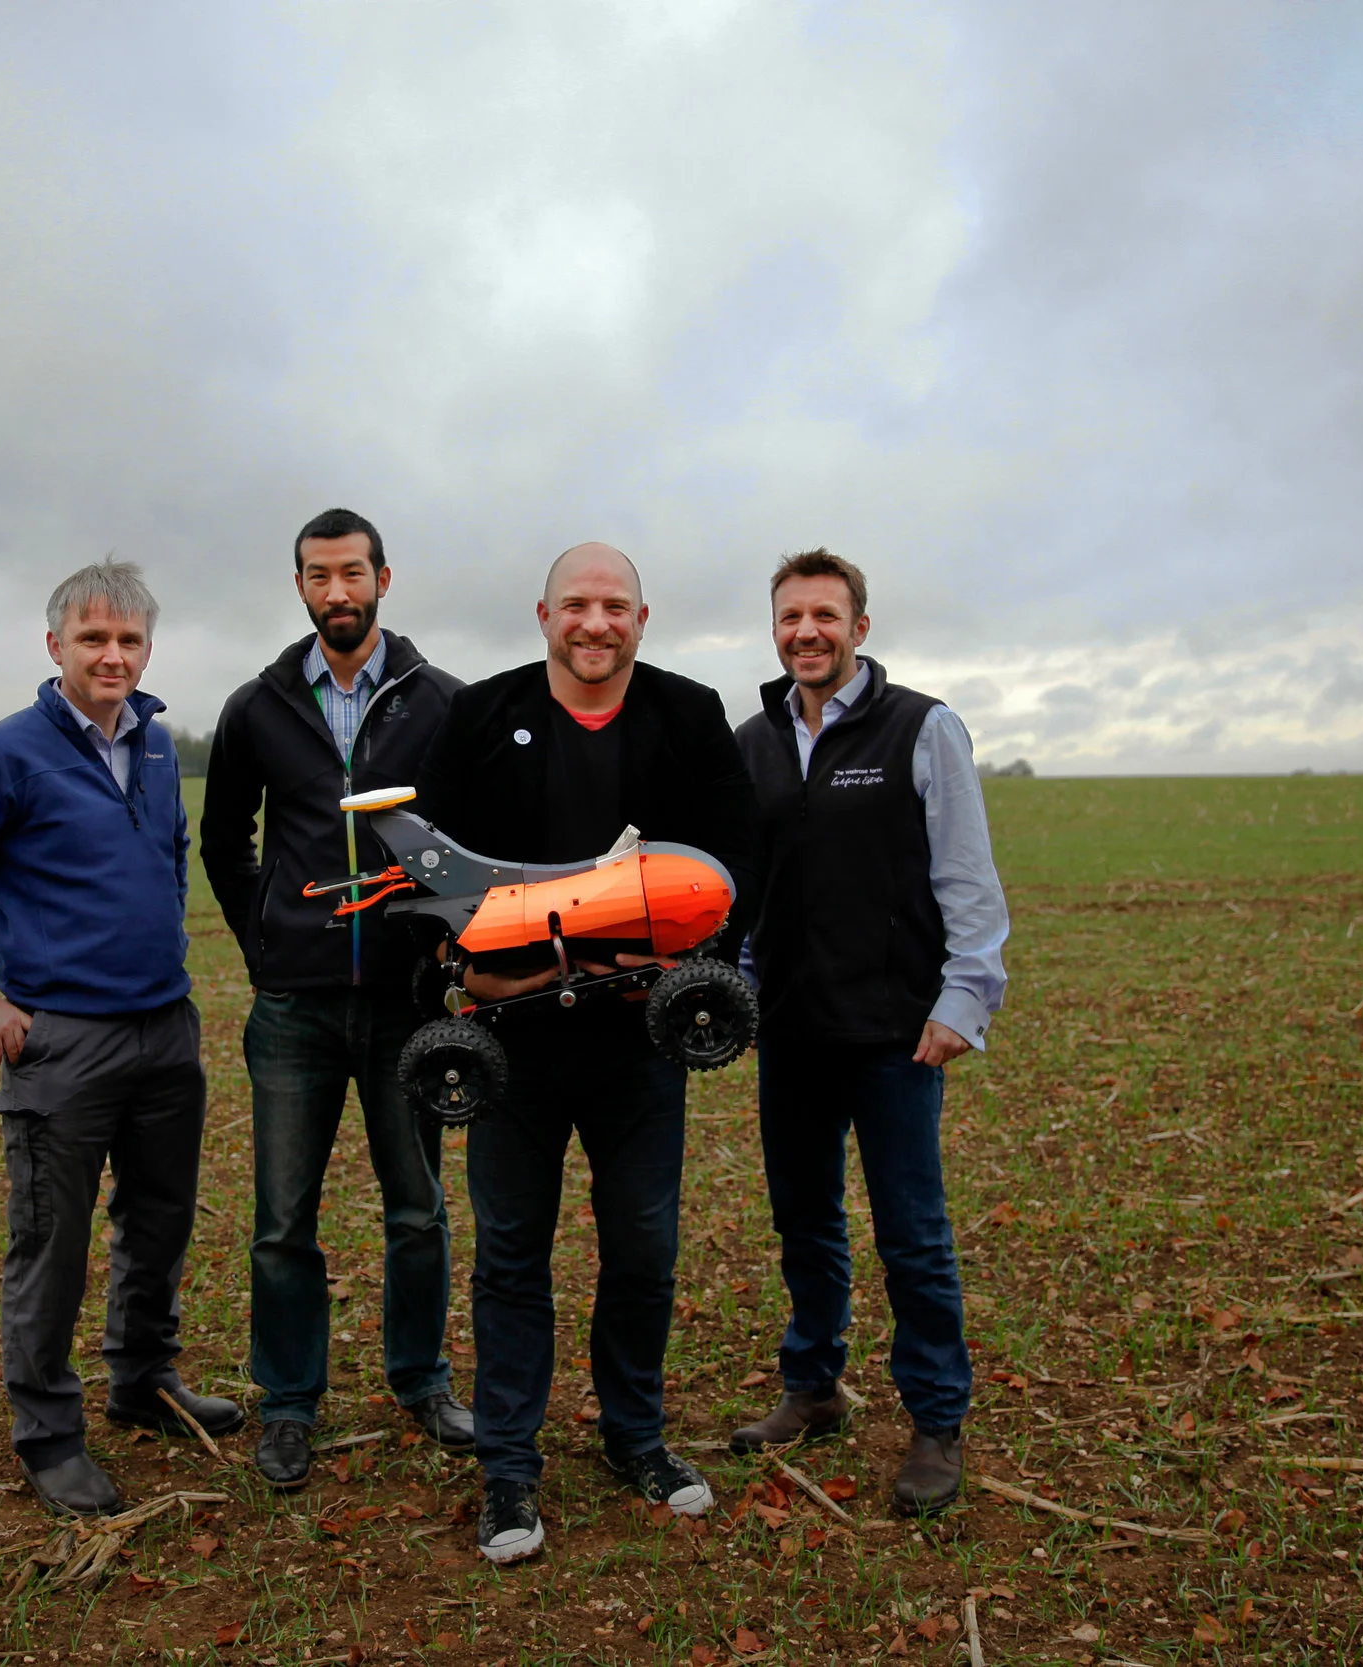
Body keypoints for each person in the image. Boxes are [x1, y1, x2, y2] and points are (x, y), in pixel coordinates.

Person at [414, 542, 759, 1564]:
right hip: (511, 1046)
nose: (594, 624)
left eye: (614, 606)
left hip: (639, 1045)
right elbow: (425, 877)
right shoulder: (478, 714)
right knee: (511, 1254)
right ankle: (508, 1466)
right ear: (542, 614)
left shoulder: (689, 713)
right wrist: (459, 975)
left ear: (641, 619)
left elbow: (743, 854)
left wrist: (698, 973)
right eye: (576, 605)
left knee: (643, 1248)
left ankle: (634, 1435)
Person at [0, 558, 240, 1517]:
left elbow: (170, 853)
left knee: (158, 1219)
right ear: (55, 648)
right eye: (93, 639)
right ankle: (47, 1434)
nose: (112, 655)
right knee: (52, 1240)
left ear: (148, 649)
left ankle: (143, 1379)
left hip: (165, 1029)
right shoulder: (5, 754)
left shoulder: (160, 746)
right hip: (62, 1043)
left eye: (128, 640)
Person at [729, 548, 1010, 1516]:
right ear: (774, 629)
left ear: (859, 626)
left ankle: (935, 1417)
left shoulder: (920, 726)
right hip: (791, 1030)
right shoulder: (753, 739)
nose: (806, 631)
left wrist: (962, 1000)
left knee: (912, 1234)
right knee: (804, 1222)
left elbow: (965, 874)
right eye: (789, 616)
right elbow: (742, 890)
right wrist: (733, 986)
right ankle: (812, 1387)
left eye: (824, 614)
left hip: (895, 1032)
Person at [200, 507, 474, 1490]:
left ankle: (422, 1379)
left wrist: (449, 952)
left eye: (351, 573)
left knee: (418, 1208)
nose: (336, 592)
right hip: (296, 1010)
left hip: (409, 1003)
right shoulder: (258, 706)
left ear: (383, 580)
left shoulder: (441, 699)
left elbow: (469, 848)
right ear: (302, 586)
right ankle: (286, 1402)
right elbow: (224, 838)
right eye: (318, 576)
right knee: (282, 1220)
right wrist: (264, 941)